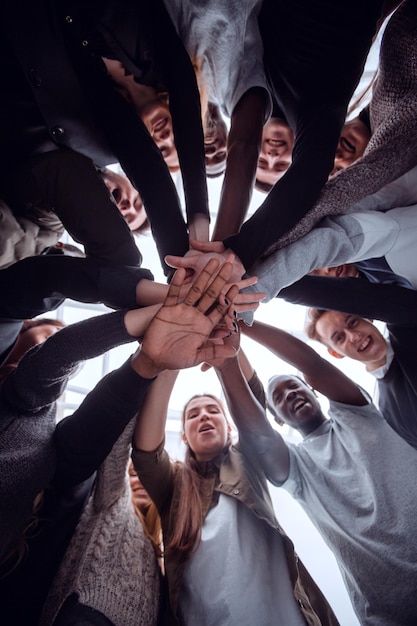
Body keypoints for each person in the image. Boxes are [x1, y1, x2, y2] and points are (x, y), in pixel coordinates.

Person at [0, 257, 242, 624]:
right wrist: (151, 355)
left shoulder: (170, 564)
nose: (135, 480)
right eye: (192, 413)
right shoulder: (46, 442)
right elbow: (90, 446)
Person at [131, 324, 339, 623]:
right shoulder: (173, 485)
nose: (204, 415)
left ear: (229, 429)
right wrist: (171, 361)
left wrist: (226, 344)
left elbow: (253, 401)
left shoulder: (247, 460)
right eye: (193, 414)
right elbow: (146, 453)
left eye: (213, 410)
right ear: (185, 437)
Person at [1, 0, 210, 275]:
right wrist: (199, 218)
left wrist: (176, 263)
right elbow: (183, 89)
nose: (166, 139)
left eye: (161, 148)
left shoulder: (95, 137)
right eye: (139, 203)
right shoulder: (152, 59)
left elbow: (146, 165)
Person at [240, 319, 417, 625]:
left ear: (311, 389)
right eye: (278, 398)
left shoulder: (356, 411)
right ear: (278, 421)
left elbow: (312, 363)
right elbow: (258, 434)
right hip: (393, 615)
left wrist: (242, 323)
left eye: (293, 386)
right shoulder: (296, 469)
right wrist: (226, 356)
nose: (290, 395)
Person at [163, 0, 272, 241]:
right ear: (227, 134)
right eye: (220, 156)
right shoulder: (234, 89)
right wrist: (221, 244)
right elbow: (244, 145)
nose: (210, 151)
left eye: (203, 159)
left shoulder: (159, 89)